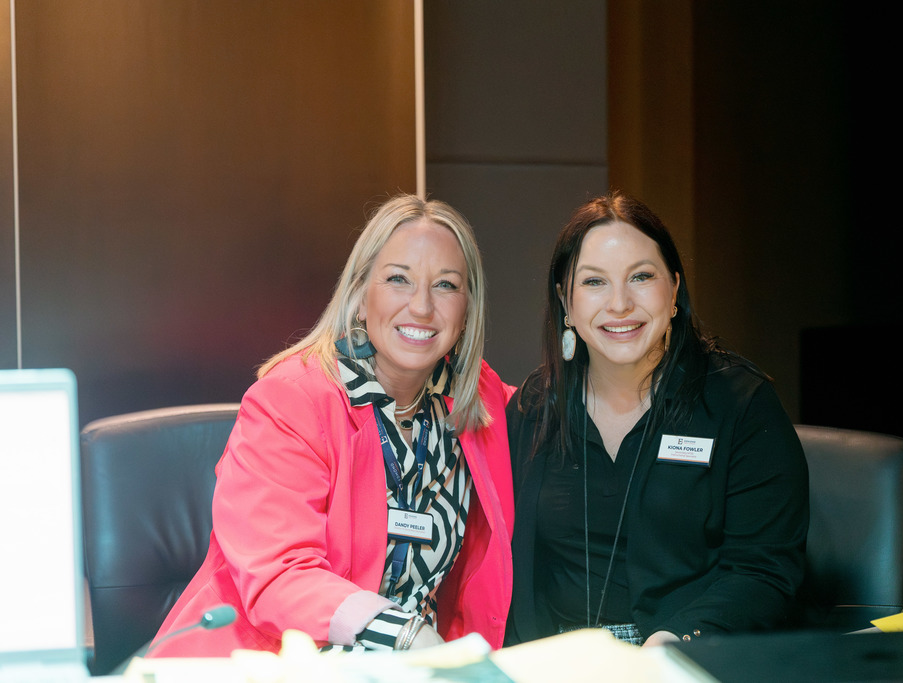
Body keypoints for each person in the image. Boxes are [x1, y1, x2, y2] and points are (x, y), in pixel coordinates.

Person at [149, 194, 514, 657]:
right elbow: (280, 575)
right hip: (270, 662)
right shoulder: (291, 401)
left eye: (445, 285)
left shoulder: (477, 403)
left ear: (467, 312)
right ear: (361, 297)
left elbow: (573, 411)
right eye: (398, 279)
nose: (421, 306)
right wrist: (404, 635)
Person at [505, 192, 808, 647]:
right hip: (554, 663)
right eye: (594, 283)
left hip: (685, 659)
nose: (620, 303)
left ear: (674, 292)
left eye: (641, 277)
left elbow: (763, 571)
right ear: (565, 303)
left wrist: (674, 642)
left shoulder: (740, 404)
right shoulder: (534, 407)